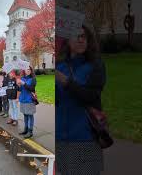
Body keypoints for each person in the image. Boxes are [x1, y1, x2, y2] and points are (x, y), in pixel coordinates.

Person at [56, 25, 106, 175]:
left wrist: (66, 82)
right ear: (67, 41)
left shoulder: (95, 65)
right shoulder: (60, 66)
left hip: (85, 136)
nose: (81, 40)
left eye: (84, 36)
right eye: (76, 36)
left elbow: (91, 96)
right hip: (61, 137)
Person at [17, 66, 37, 139]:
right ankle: (25, 129)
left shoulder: (33, 79)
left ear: (31, 71)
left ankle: (30, 131)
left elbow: (31, 88)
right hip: (23, 99)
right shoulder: (22, 78)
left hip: (29, 100)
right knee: (25, 115)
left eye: (29, 69)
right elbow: (20, 89)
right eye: (26, 69)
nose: (27, 71)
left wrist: (23, 83)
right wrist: (19, 85)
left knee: (30, 115)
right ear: (24, 71)